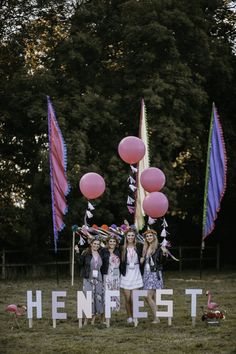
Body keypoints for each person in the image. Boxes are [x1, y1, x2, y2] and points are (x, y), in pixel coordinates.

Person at [75, 237, 103, 325]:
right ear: (91, 244)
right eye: (94, 244)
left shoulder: (101, 253)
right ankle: (86, 319)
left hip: (98, 279)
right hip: (88, 278)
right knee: (88, 298)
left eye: (98, 244)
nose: (96, 245)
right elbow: (80, 263)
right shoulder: (86, 253)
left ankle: (93, 319)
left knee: (96, 298)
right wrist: (77, 252)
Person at [140, 229, 166, 324]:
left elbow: (162, 262)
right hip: (146, 274)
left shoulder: (159, 247)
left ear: (154, 236)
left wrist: (164, 254)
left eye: (150, 236)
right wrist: (142, 260)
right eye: (147, 236)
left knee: (147, 296)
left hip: (154, 274)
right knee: (153, 297)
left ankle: (157, 318)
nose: (149, 237)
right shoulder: (145, 247)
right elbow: (145, 262)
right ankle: (156, 317)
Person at [120, 228, 143, 324]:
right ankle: (129, 316)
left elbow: (148, 250)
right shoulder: (122, 248)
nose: (130, 237)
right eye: (128, 235)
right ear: (126, 237)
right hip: (126, 274)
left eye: (132, 235)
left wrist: (142, 259)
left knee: (134, 298)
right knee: (128, 298)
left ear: (135, 237)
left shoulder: (139, 247)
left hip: (136, 273)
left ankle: (135, 316)